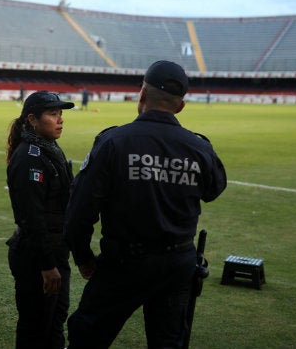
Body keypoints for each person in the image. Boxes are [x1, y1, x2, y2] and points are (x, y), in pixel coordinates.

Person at [64, 61, 227, 349]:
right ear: (181, 106)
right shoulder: (199, 148)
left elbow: (80, 210)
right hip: (177, 265)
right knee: (168, 343)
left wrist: (83, 256)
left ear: (141, 95)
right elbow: (214, 190)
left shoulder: (113, 141)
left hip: (123, 263)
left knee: (86, 337)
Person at [5, 91, 76, 349]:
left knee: (54, 323)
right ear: (33, 119)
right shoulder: (29, 158)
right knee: (35, 330)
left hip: (55, 253)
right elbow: (32, 218)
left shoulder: (49, 148)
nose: (60, 120)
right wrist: (47, 265)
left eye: (61, 114)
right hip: (37, 259)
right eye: (53, 114)